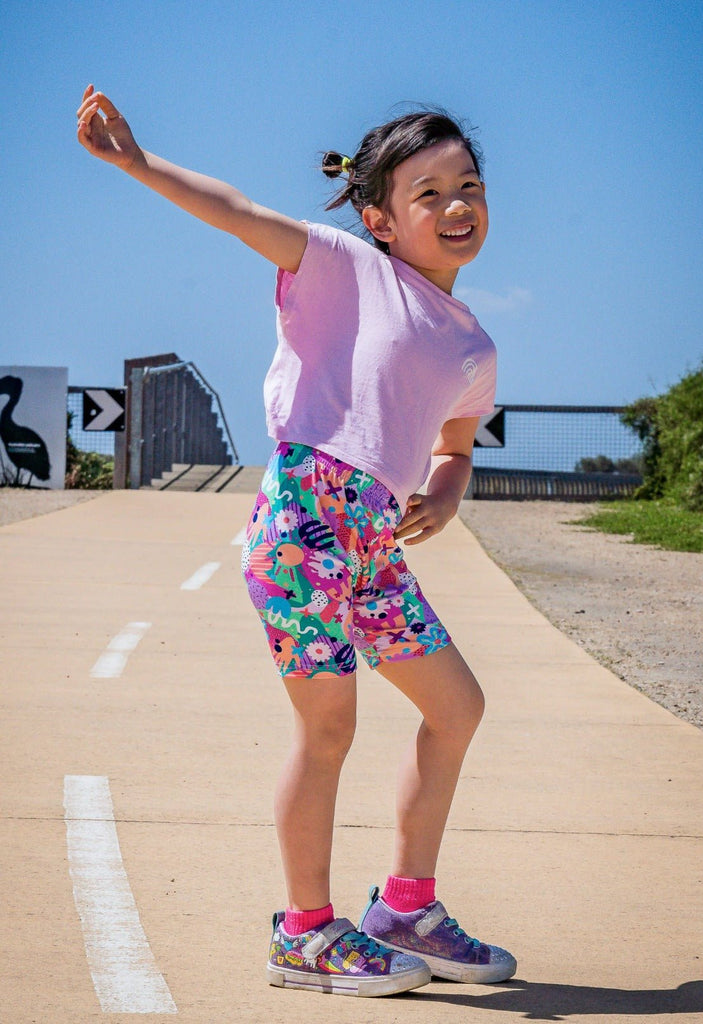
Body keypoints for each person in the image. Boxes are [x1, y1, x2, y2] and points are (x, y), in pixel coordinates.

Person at [76, 84, 517, 998]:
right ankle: (307, 933)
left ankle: (405, 906)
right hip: (306, 526)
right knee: (329, 728)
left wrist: (445, 488)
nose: (455, 205)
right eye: (426, 192)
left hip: (373, 550)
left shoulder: (474, 348)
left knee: (458, 707)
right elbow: (238, 213)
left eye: (466, 184)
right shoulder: (345, 269)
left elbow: (457, 444)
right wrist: (136, 160)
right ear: (379, 218)